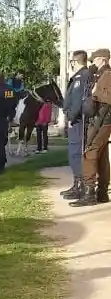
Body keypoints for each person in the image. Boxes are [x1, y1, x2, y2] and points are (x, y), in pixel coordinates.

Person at [71, 48, 111, 207]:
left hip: (103, 120)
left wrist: (95, 93)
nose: (92, 63)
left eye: (94, 60)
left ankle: (89, 193)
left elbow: (106, 98)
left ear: (102, 59)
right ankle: (101, 193)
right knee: (101, 156)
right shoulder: (101, 75)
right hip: (100, 120)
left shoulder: (107, 75)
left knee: (89, 153)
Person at [62, 50, 92, 199]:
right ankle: (77, 184)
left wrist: (71, 117)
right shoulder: (81, 76)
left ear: (75, 61)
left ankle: (80, 186)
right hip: (76, 120)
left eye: (71, 62)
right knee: (73, 153)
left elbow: (77, 102)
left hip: (77, 121)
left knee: (76, 153)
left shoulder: (81, 76)